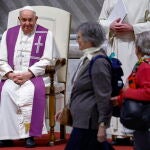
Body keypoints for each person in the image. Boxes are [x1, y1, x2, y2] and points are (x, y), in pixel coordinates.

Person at [0, 6, 55, 147]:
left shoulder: (46, 34)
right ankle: (7, 136)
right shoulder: (8, 33)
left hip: (34, 75)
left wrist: (28, 73)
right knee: (6, 91)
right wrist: (10, 74)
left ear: (36, 19)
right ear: (19, 20)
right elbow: (1, 60)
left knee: (29, 93)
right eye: (24, 20)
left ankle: (29, 136)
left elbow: (47, 60)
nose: (27, 23)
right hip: (13, 75)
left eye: (30, 20)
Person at [98, 0, 150, 144]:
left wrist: (133, 28)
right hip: (114, 46)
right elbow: (101, 21)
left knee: (134, 85)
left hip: (137, 46)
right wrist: (110, 25)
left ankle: (137, 130)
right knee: (115, 86)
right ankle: (118, 133)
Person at [56, 22, 114, 150]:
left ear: (90, 39)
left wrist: (102, 126)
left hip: (89, 122)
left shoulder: (98, 62)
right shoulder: (87, 59)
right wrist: (67, 108)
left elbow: (104, 97)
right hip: (83, 120)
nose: (77, 40)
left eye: (79, 37)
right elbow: (79, 90)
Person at [112, 31, 150, 150]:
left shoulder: (145, 66)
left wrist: (127, 92)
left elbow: (148, 92)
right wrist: (118, 99)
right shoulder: (143, 64)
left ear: (138, 48)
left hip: (146, 123)